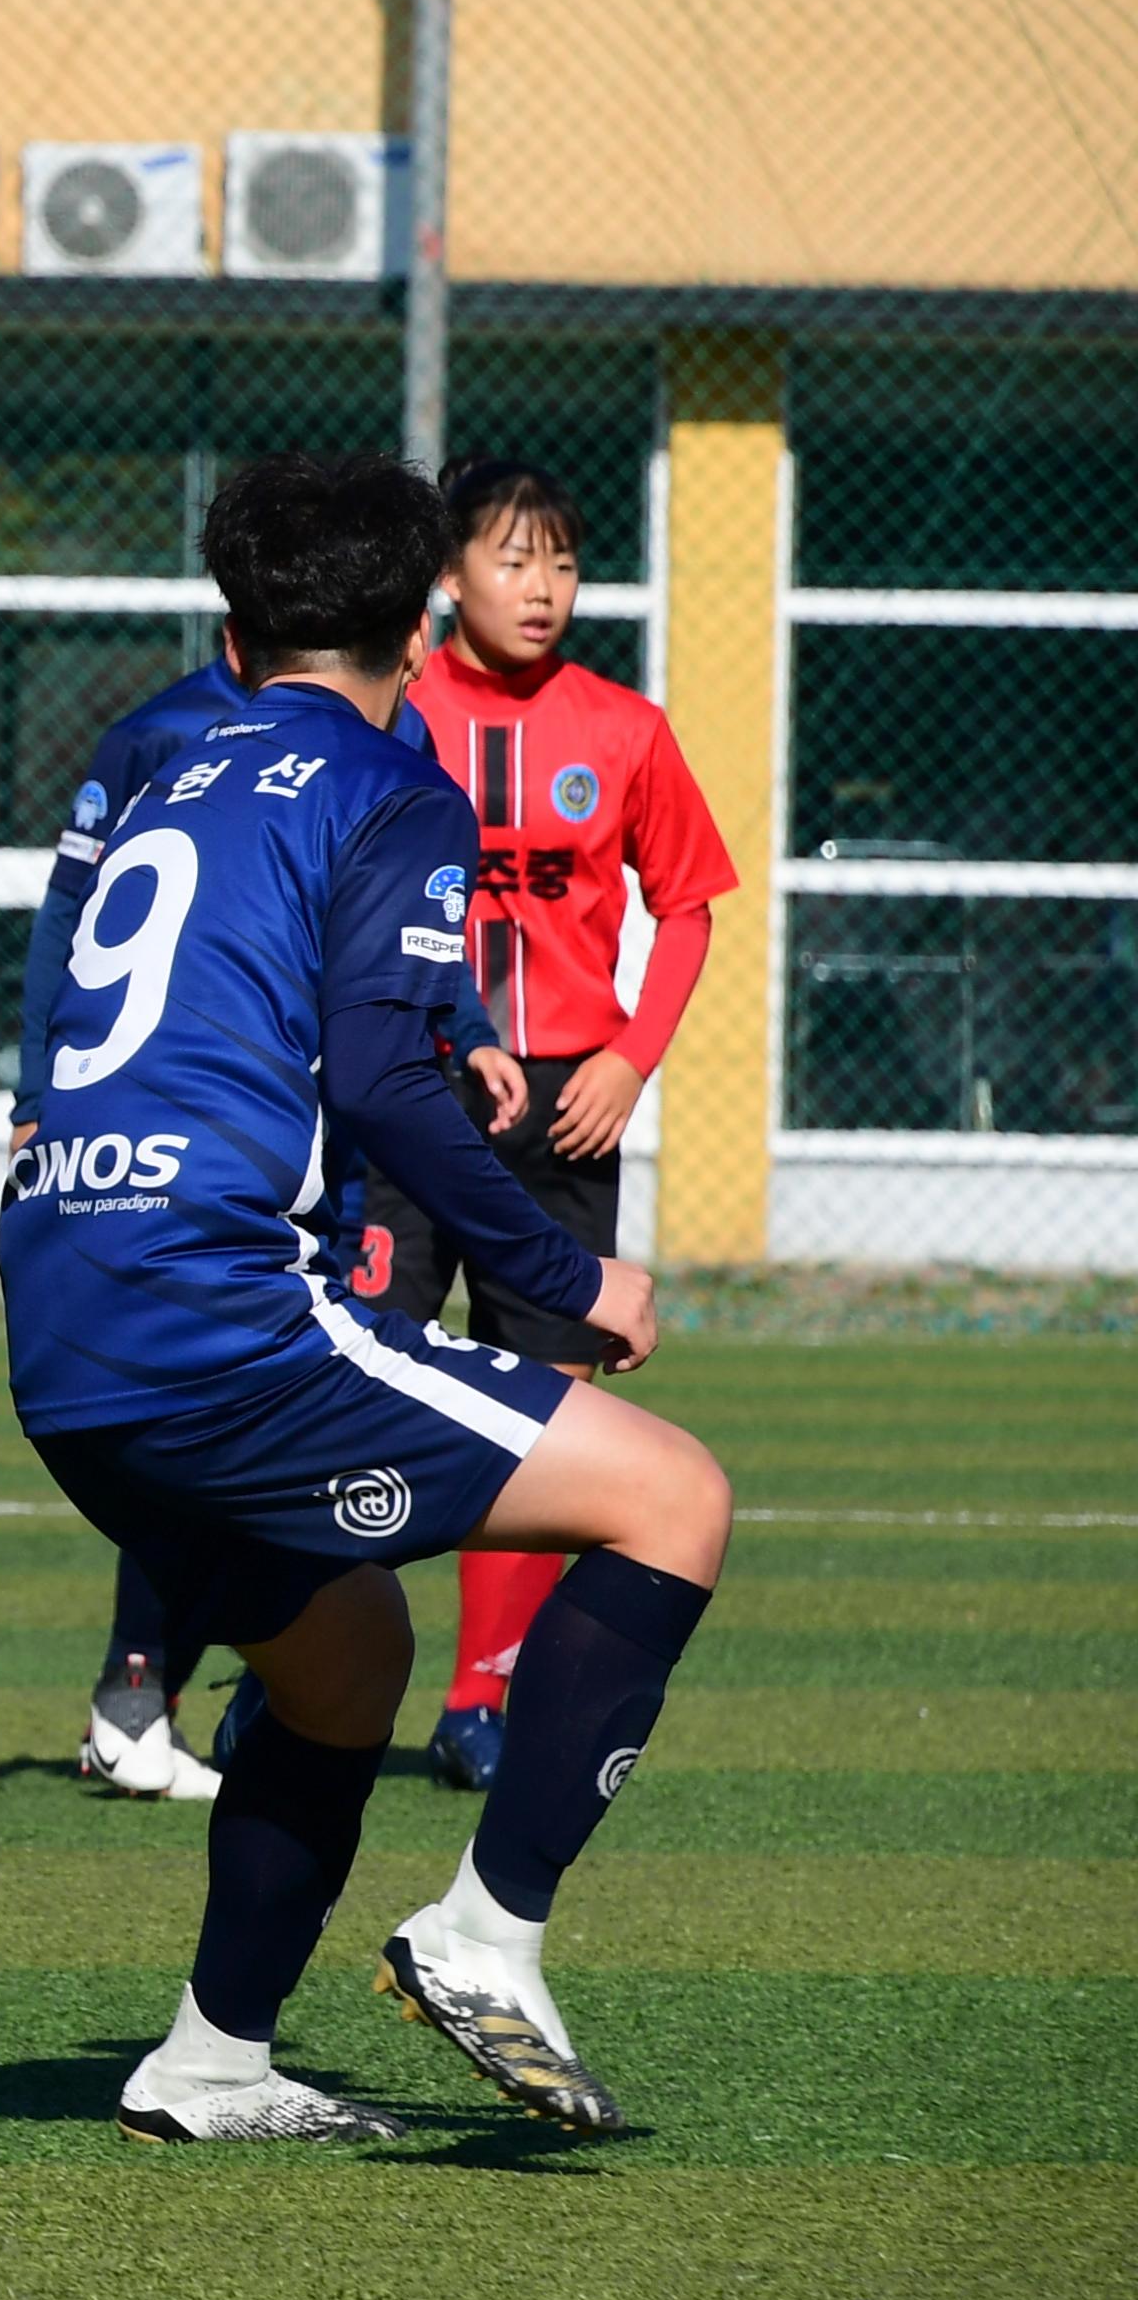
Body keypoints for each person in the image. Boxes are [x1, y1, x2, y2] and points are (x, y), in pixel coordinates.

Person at [0, 452, 731, 2143]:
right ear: (417, 618)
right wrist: (567, 1273)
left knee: (341, 1662)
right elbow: (382, 1085)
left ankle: (208, 2059)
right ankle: (483, 1933)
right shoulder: (392, 782)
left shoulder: (169, 761)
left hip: (56, 1309)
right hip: (215, 1312)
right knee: (672, 1496)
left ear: (229, 625)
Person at [14, 658, 524, 1800]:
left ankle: (227, 1692)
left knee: (289, 1421)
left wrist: (471, 1025)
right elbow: (70, 918)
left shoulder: (395, 735)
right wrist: (33, 1097)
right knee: (220, 1413)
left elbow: (409, 924)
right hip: (211, 1157)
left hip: (327, 1149)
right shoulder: (161, 735)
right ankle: (142, 1690)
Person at [368, 459, 738, 1792]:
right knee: (363, 1377)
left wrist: (632, 1059)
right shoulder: (391, 717)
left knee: (542, 1410)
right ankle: (298, 1679)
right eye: (513, 559)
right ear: (450, 577)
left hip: (566, 1108)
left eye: (564, 561)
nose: (541, 587)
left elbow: (689, 904)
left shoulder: (625, 729)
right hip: (410, 1103)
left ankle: (480, 1702)